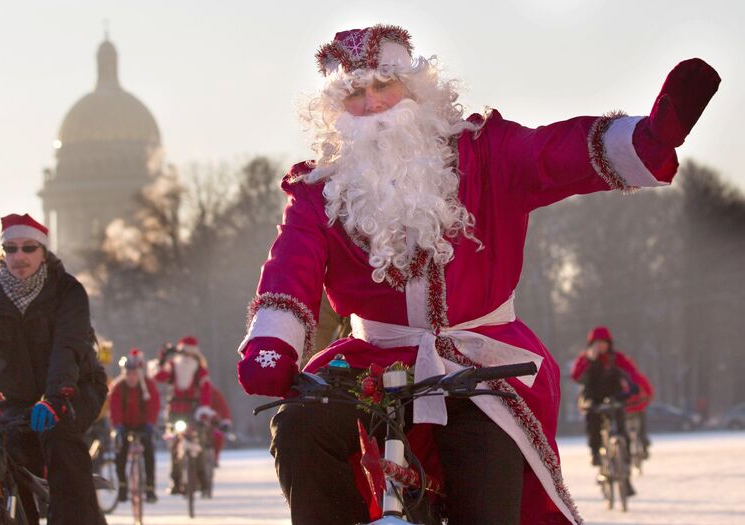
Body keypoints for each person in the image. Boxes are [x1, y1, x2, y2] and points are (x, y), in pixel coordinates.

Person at [235, 24, 720, 525]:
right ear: (337, 110)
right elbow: (289, 270)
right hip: (374, 359)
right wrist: (275, 345)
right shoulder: (320, 190)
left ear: (416, 88)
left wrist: (649, 137)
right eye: (355, 93)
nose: (373, 104)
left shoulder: (486, 152)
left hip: (482, 357)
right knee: (299, 427)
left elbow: (559, 154)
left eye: (384, 85)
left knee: (483, 463)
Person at [0, 214, 109, 525]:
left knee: (61, 443)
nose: (19, 256)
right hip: (19, 396)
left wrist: (55, 398)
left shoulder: (67, 290)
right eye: (11, 249)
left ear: (43, 251)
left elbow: (68, 348)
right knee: (6, 455)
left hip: (75, 388)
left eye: (28, 248)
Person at [571, 326, 654, 466]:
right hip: (593, 398)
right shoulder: (585, 359)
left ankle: (625, 465)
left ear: (609, 343)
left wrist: (634, 387)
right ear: (591, 345)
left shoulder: (616, 358)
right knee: (593, 423)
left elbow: (632, 373)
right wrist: (590, 361)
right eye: (597, 343)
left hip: (615, 397)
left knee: (621, 427)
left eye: (604, 342)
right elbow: (577, 376)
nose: (601, 345)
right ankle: (595, 453)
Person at [150, 335, 212, 494]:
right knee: (174, 444)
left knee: (198, 443)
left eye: (189, 354)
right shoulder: (172, 366)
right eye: (184, 353)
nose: (186, 357)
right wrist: (162, 359)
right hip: (174, 410)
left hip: (193, 410)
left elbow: (205, 389)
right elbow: (159, 377)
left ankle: (203, 479)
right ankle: (175, 481)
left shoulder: (199, 369)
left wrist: (204, 408)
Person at [109, 348, 161, 503]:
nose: (131, 377)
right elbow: (114, 408)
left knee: (149, 451)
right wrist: (117, 425)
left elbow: (154, 405)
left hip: (144, 425)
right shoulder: (118, 387)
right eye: (128, 374)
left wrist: (151, 424)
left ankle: (150, 488)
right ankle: (123, 487)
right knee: (120, 452)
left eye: (134, 374)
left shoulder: (149, 386)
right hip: (124, 425)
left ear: (139, 373)